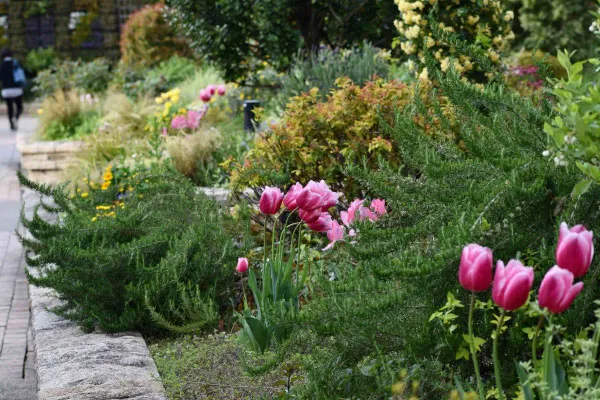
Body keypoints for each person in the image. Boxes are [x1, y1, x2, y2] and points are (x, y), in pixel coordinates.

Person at [0, 49, 24, 131]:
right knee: (19, 106)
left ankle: (11, 124)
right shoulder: (16, 63)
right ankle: (16, 118)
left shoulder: (1, 65)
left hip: (6, 90)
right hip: (17, 89)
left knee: (9, 107)